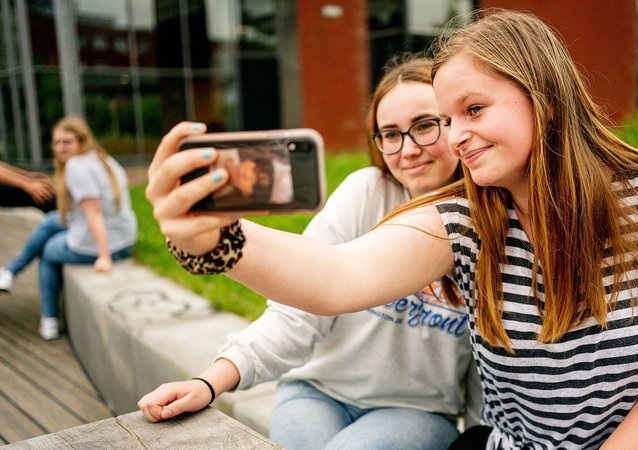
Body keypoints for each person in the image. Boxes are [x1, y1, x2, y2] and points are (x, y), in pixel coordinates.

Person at [141, 9, 638, 450]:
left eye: (473, 110)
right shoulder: (463, 219)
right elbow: (335, 277)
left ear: (543, 98)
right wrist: (216, 241)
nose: (454, 135)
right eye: (447, 119)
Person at [138, 56, 481, 450]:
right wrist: (209, 381)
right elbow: (297, 313)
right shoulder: (367, 191)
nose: (408, 149)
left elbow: (490, 364)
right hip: (318, 392)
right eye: (389, 134)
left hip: (417, 412)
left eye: (424, 125)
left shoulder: (488, 218)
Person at [0, 117, 137, 340]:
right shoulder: (102, 159)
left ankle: (49, 319)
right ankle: (9, 272)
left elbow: (94, 213)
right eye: (57, 143)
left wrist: (104, 257)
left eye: (67, 142)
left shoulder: (76, 167)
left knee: (47, 252)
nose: (61, 148)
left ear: (81, 141)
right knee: (52, 220)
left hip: (105, 245)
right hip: (124, 238)